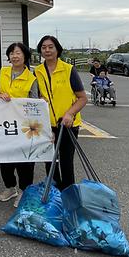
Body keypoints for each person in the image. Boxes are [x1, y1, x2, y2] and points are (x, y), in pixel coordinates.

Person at [34, 36, 88, 191]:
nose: (47, 50)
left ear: (57, 49)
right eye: (44, 47)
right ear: (40, 51)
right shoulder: (37, 72)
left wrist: (70, 114)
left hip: (67, 124)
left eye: (51, 47)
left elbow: (82, 98)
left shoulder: (69, 69)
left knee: (66, 161)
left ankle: (69, 194)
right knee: (49, 162)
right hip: (46, 126)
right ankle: (54, 194)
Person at [0, 42, 39, 207]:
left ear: (25, 56)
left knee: (24, 161)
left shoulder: (31, 78)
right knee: (5, 158)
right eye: (12, 53)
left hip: (25, 126)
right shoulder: (4, 72)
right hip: (5, 123)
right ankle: (10, 187)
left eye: (18, 53)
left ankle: (23, 191)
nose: (15, 56)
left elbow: (35, 102)